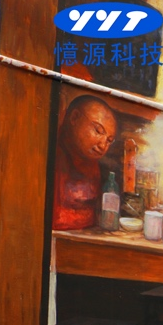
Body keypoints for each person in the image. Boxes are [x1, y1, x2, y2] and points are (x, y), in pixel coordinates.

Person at [54, 95, 117, 230]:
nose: (103, 146)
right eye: (98, 131)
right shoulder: (54, 154)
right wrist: (90, 217)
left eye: (109, 140)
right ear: (74, 118)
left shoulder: (91, 162)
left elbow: (97, 214)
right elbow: (55, 218)